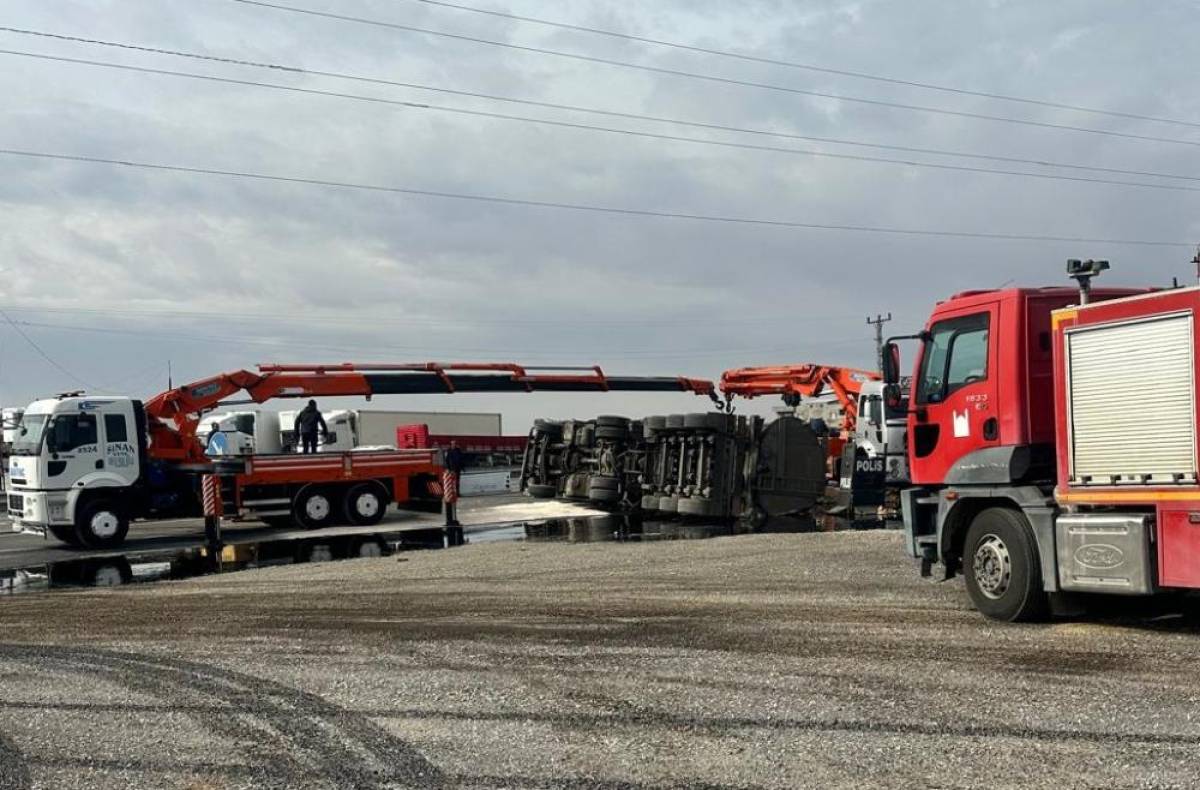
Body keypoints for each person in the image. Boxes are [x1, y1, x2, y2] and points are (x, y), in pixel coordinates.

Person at [443, 440, 466, 531]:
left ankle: (457, 492)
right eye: (452, 444)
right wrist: (448, 468)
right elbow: (447, 460)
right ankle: (453, 493)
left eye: (455, 444)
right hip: (452, 469)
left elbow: (461, 459)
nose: (454, 445)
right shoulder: (449, 451)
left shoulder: (458, 451)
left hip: (457, 468)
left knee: (457, 482)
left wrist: (463, 467)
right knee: (451, 482)